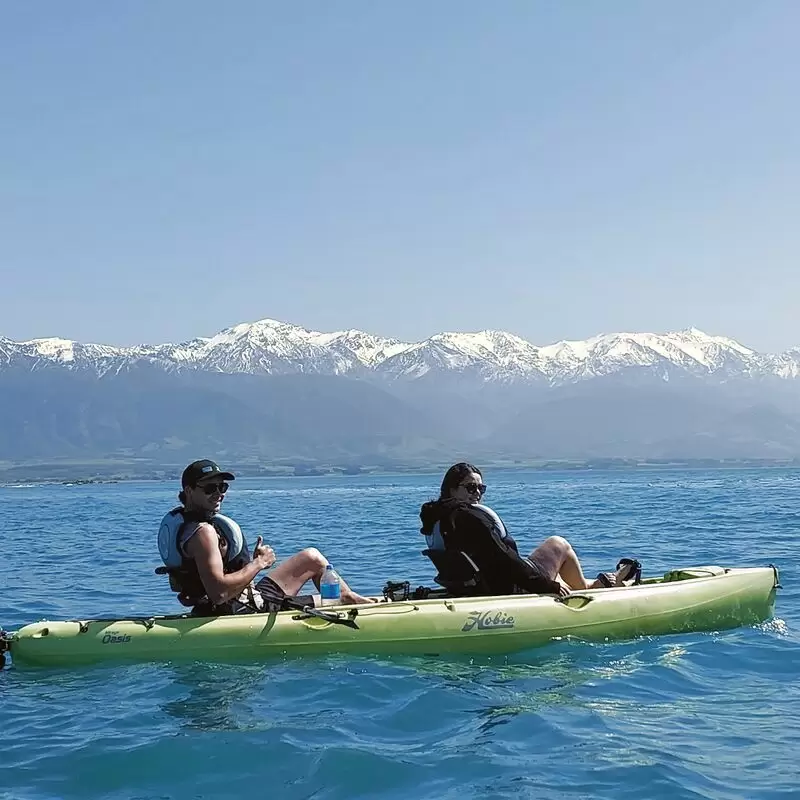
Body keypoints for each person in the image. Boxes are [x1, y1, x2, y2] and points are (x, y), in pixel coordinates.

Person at [158, 459, 375, 615]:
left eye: (222, 487)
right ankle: (348, 602)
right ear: (188, 491)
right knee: (328, 596)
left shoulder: (189, 524)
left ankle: (348, 597)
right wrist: (259, 563)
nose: (219, 493)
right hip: (239, 608)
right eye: (209, 488)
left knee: (312, 557)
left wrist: (248, 565)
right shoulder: (202, 532)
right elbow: (219, 593)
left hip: (243, 596)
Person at [419, 462, 640, 597]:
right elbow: (503, 558)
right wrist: (546, 586)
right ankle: (600, 586)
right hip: (506, 586)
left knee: (559, 578)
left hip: (472, 586)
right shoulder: (468, 517)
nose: (477, 493)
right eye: (470, 487)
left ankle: (597, 584)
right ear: (451, 489)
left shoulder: (436, 518)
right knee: (558, 544)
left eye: (481, 488)